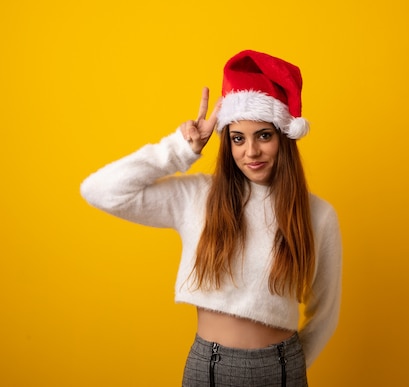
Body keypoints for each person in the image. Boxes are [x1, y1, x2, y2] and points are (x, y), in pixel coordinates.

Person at [80, 50, 342, 387]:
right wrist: (180, 149)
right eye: (238, 138)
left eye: (264, 135)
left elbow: (326, 314)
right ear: (227, 143)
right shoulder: (197, 197)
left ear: (283, 138)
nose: (251, 152)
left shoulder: (318, 215)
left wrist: (288, 366)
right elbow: (99, 190)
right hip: (211, 367)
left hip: (283, 367)